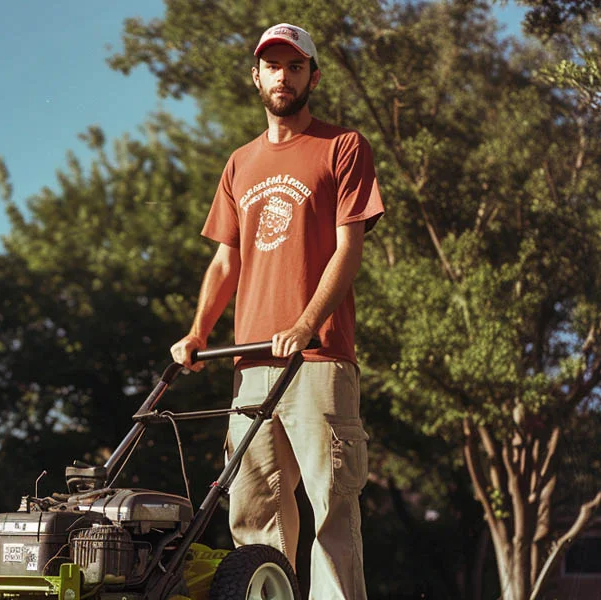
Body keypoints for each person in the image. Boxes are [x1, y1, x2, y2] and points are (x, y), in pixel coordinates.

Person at [170, 23, 384, 600]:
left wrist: (304, 324)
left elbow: (348, 250)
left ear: (313, 76)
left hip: (317, 360)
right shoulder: (239, 163)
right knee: (253, 513)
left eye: (294, 66)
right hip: (249, 363)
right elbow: (224, 262)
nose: (282, 77)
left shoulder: (343, 147)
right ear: (256, 77)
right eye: (272, 66)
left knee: (331, 512)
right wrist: (197, 332)